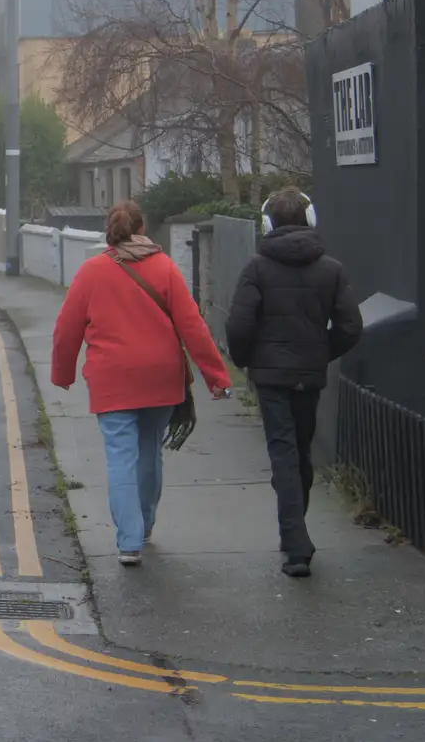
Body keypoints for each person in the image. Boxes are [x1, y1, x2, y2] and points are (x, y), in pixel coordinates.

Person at [52, 200, 231, 566]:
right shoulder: (165, 268)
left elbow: (66, 330)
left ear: (110, 231)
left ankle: (128, 541)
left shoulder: (91, 272)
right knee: (148, 451)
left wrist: (63, 373)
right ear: (142, 229)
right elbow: (193, 327)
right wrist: (216, 377)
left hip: (112, 379)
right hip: (160, 378)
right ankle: (145, 525)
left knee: (120, 458)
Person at [225, 188, 363, 579]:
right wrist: (321, 351)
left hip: (271, 378)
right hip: (309, 375)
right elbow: (351, 327)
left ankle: (296, 546)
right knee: (299, 452)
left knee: (284, 454)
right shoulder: (332, 269)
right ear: (310, 219)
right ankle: (295, 534)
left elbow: (239, 326)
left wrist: (246, 359)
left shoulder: (256, 268)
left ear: (267, 224)